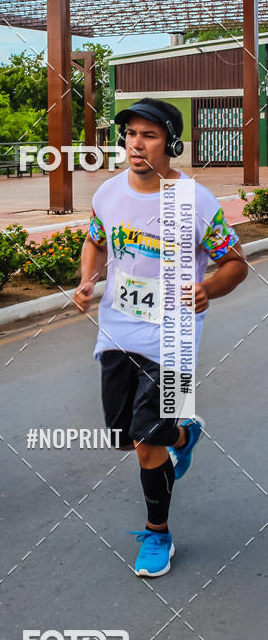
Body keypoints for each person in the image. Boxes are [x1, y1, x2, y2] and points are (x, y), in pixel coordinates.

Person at [74, 98, 247, 577]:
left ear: (170, 143)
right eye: (130, 134)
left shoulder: (195, 201)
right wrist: (88, 280)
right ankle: (184, 432)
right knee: (123, 438)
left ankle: (158, 533)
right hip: (118, 331)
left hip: (174, 339)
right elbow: (95, 238)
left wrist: (206, 288)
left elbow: (236, 265)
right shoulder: (108, 193)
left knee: (148, 444)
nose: (136, 144)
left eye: (149, 135)